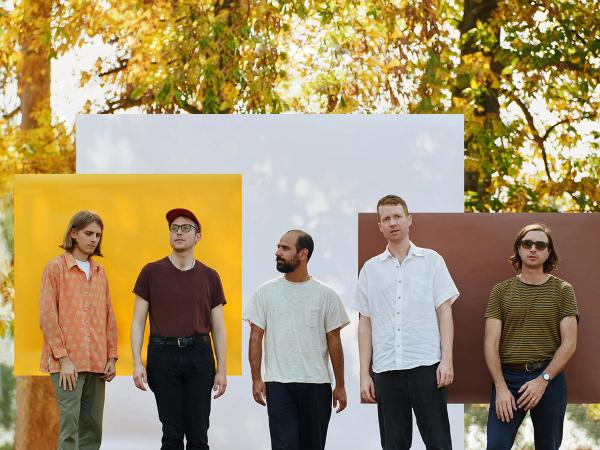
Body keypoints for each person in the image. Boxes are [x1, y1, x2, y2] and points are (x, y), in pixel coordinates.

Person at [354, 195, 459, 450]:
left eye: (397, 216)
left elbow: (445, 311)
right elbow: (365, 323)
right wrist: (364, 374)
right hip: (386, 370)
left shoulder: (432, 260)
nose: (393, 223)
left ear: (409, 220)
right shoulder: (370, 269)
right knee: (394, 445)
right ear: (380, 226)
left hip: (427, 367)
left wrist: (446, 360)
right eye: (386, 219)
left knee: (439, 444)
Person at [130, 208, 227, 450]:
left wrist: (222, 369)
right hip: (162, 356)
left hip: (200, 356)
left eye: (185, 228)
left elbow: (218, 328)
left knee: (198, 434)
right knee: (171, 434)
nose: (179, 232)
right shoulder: (150, 272)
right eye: (174, 228)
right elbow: (138, 322)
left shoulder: (211, 276)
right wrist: (137, 362)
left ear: (198, 236)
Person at [244, 230, 349, 450]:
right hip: (278, 384)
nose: (277, 252)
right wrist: (256, 378)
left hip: (317, 385)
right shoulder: (265, 293)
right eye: (278, 247)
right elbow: (255, 337)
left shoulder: (326, 295)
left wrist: (340, 385)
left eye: (285, 248)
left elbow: (335, 342)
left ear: (303, 254)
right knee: (284, 446)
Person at [484, 223, 578, 450]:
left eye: (540, 245)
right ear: (518, 249)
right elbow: (490, 344)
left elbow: (570, 342)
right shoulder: (500, 291)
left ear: (548, 252)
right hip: (508, 380)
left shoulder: (563, 290)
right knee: (496, 446)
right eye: (527, 244)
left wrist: (543, 380)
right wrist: (501, 387)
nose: (533, 249)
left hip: (549, 378)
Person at [39, 210, 118, 450]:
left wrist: (111, 357)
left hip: (97, 362)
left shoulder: (100, 272)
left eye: (98, 235)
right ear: (74, 233)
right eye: (88, 233)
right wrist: (63, 359)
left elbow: (108, 315)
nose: (94, 239)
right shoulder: (55, 268)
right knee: (70, 430)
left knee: (92, 430)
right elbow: (47, 316)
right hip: (68, 364)